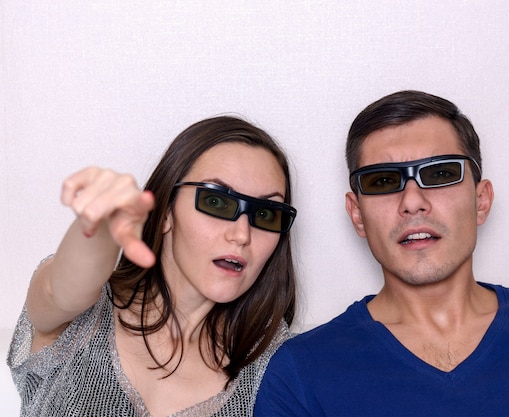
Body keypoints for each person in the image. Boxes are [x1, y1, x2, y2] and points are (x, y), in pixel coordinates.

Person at [254, 90, 509, 416]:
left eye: (439, 174)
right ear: (357, 215)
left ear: (481, 201)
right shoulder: (301, 373)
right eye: (383, 181)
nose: (413, 202)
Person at [8, 116, 298, 417]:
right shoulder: (85, 318)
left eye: (266, 214)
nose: (241, 234)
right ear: (165, 212)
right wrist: (105, 224)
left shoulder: (275, 364)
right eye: (216, 202)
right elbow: (62, 290)